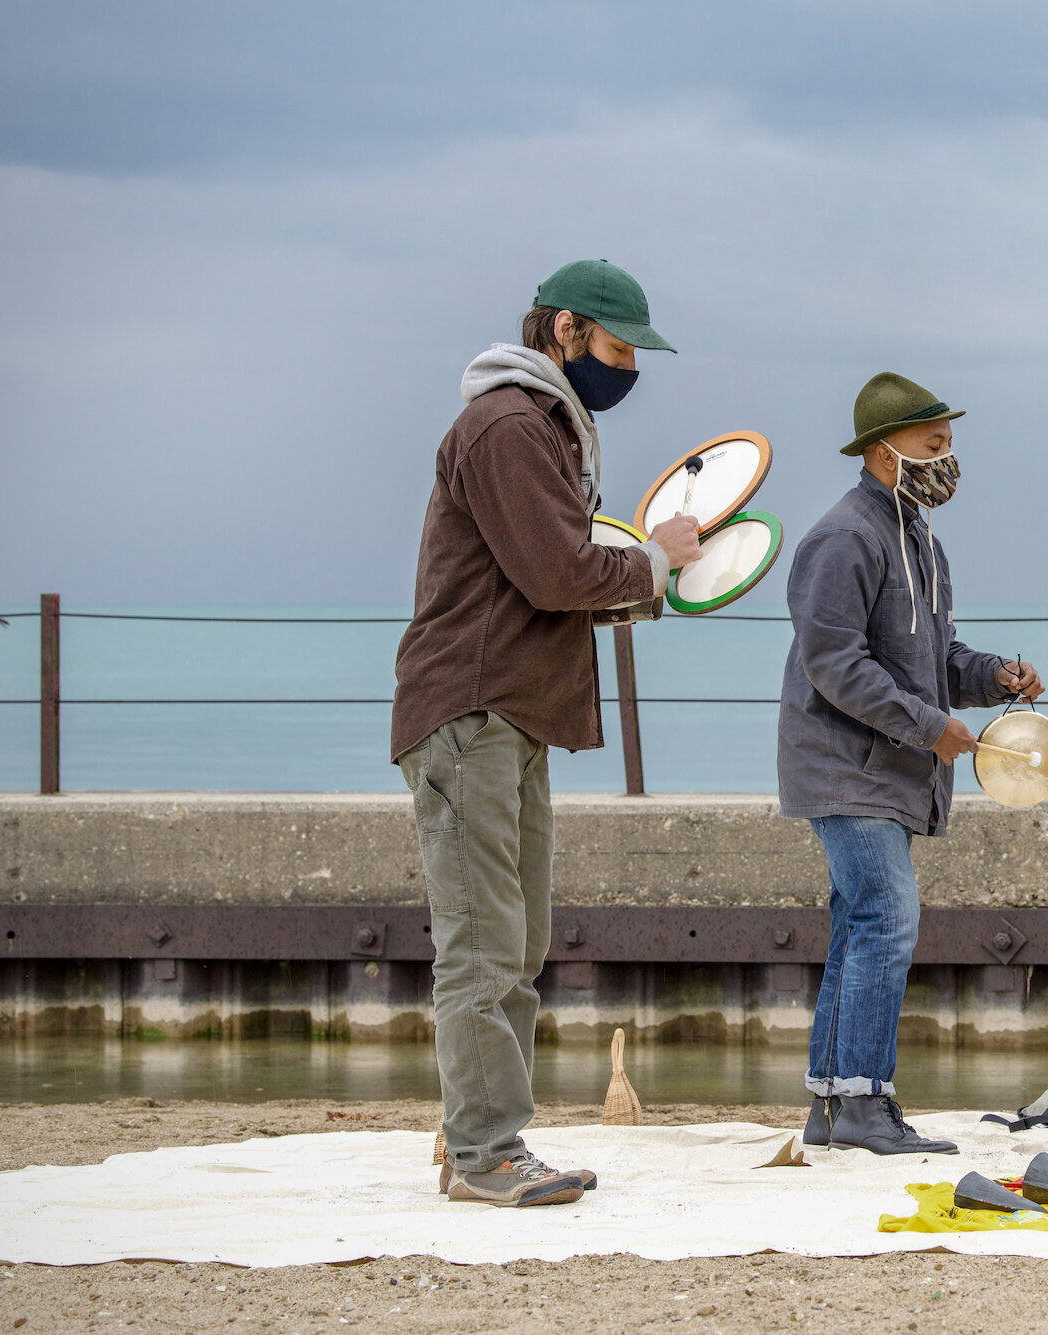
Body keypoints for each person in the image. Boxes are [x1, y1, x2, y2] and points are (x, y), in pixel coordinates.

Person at [391, 259, 701, 1206]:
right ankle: (485, 1155)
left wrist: (641, 584)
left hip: (509, 713)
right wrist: (653, 563)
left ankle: (484, 1139)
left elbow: (545, 586)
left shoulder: (546, 427)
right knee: (483, 945)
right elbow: (558, 573)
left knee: (516, 945)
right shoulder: (510, 424)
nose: (629, 369)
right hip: (470, 713)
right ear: (565, 330)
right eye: (617, 348)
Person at [778, 372, 1046, 1154]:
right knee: (886, 921)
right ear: (883, 450)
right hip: (845, 766)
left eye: (951, 443)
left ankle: (835, 1107)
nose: (948, 458)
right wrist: (931, 728)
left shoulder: (919, 537)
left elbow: (931, 656)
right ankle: (863, 1103)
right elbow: (834, 663)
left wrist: (993, 673)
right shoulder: (842, 538)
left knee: (860, 925)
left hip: (880, 768)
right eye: (935, 444)